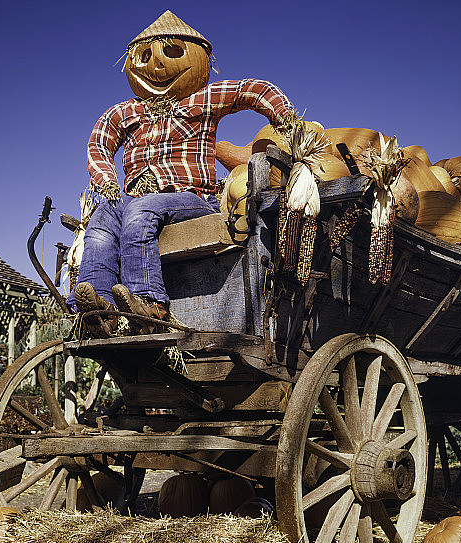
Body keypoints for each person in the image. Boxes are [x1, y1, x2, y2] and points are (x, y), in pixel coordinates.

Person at [68, 10, 296, 336]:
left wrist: (284, 118)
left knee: (140, 211)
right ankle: (97, 309)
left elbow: (252, 90)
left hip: (189, 199)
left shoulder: (203, 100)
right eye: (145, 57)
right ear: (132, 63)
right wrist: (106, 180)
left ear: (198, 58)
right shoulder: (126, 112)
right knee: (103, 218)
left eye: (172, 53)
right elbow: (99, 143)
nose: (157, 65)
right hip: (135, 199)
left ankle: (150, 305)